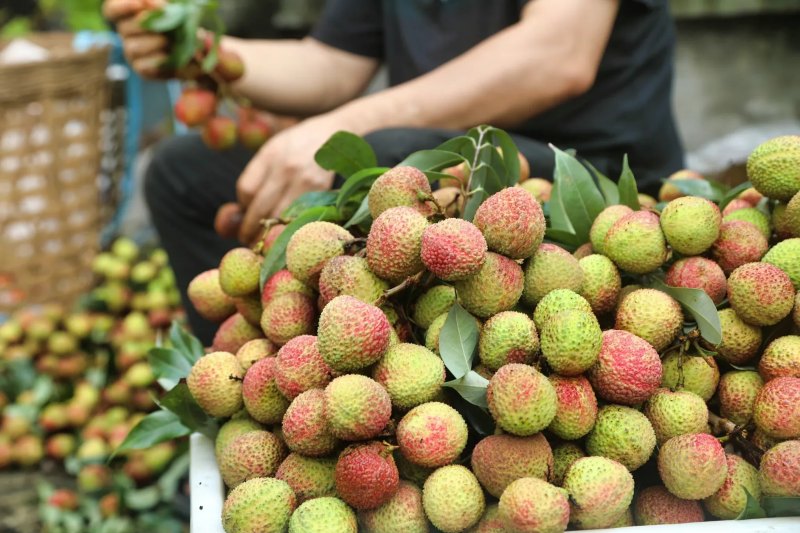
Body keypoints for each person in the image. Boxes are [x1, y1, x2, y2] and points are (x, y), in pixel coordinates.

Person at [105, 0, 684, 343]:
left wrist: (340, 127)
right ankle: (253, 396)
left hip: (592, 181)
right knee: (183, 173)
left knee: (390, 155)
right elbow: (329, 64)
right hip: (434, 163)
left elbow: (557, 55)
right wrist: (199, 49)